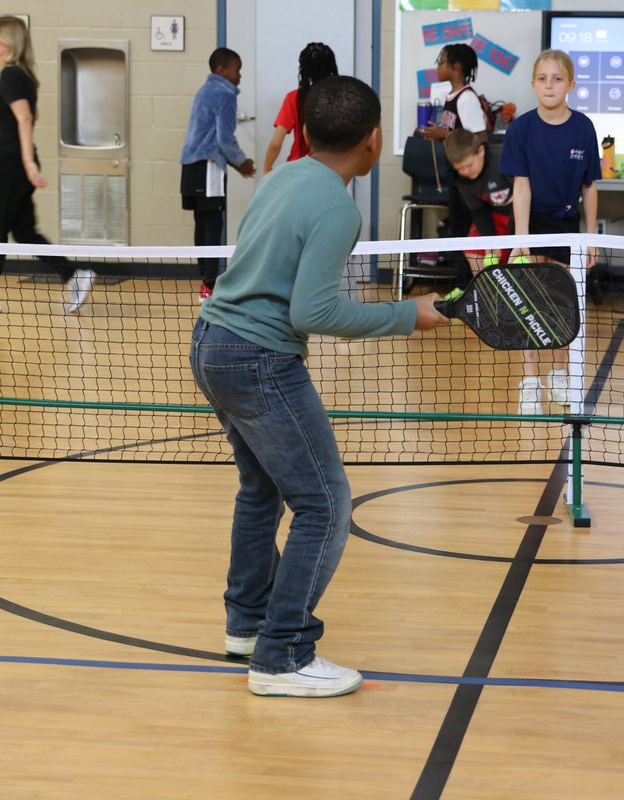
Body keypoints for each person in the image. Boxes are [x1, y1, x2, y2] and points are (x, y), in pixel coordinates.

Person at [190, 76, 448, 698]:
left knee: (261, 491)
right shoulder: (338, 208)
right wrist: (408, 315)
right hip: (258, 359)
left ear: (303, 133)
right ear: (374, 141)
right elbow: (313, 313)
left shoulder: (283, 175)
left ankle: (249, 624)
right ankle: (282, 655)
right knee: (326, 505)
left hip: (211, 344)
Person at [0, 15, 95, 316]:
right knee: (24, 231)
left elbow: (26, 118)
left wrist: (27, 162)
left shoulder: (12, 76)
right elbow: (31, 114)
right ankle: (74, 275)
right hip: (9, 157)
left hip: (11, 165)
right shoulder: (19, 76)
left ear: (9, 41)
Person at [499, 49, 599, 415]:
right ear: (533, 84)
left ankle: (559, 374)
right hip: (529, 223)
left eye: (557, 78)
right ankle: (529, 379)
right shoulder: (521, 128)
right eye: (542, 78)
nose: (549, 85)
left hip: (565, 226)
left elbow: (590, 187)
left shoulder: (583, 128)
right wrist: (522, 240)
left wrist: (589, 236)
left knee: (559, 303)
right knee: (528, 304)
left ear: (571, 84)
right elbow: (520, 187)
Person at [181, 47, 257, 304]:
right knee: (212, 225)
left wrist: (237, 166)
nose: (239, 77)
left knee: (201, 223)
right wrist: (242, 162)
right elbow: (224, 138)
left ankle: (205, 282)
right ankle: (210, 287)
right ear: (222, 71)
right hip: (209, 167)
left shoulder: (205, 90)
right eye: (238, 70)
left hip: (191, 167)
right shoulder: (225, 93)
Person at [418, 43, 490, 243]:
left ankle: (465, 274)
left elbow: (480, 138)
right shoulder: (450, 96)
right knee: (457, 227)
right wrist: (438, 132)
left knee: (464, 229)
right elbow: (455, 131)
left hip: (467, 180)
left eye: (442, 63)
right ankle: (459, 272)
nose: (438, 67)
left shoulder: (466, 98)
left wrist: (445, 134)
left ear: (457, 67)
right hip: (455, 173)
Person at [444, 128, 513, 276]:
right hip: (494, 216)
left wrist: (516, 237)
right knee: (473, 251)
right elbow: (479, 211)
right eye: (460, 169)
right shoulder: (461, 180)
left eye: (469, 165)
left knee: (519, 259)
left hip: (521, 217)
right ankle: (485, 294)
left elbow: (525, 194)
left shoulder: (503, 159)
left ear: (481, 151)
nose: (466, 172)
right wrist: (491, 241)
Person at [262, 43, 338, 174]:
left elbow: (276, 143)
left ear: (304, 68)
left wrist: (267, 169)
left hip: (298, 168)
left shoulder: (294, 98)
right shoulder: (339, 97)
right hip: (332, 169)